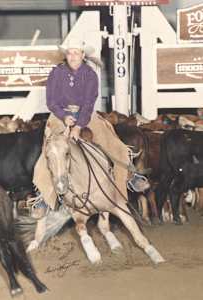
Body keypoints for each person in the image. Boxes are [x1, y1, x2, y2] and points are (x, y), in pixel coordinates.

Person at [30, 37, 132, 220]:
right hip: (59, 115)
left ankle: (123, 185)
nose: (73, 56)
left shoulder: (90, 74)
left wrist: (78, 125)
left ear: (83, 55)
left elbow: (89, 102)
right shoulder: (56, 73)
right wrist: (63, 116)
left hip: (86, 114)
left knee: (115, 145)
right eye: (70, 53)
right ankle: (44, 196)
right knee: (51, 150)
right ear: (66, 55)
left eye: (76, 53)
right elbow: (51, 102)